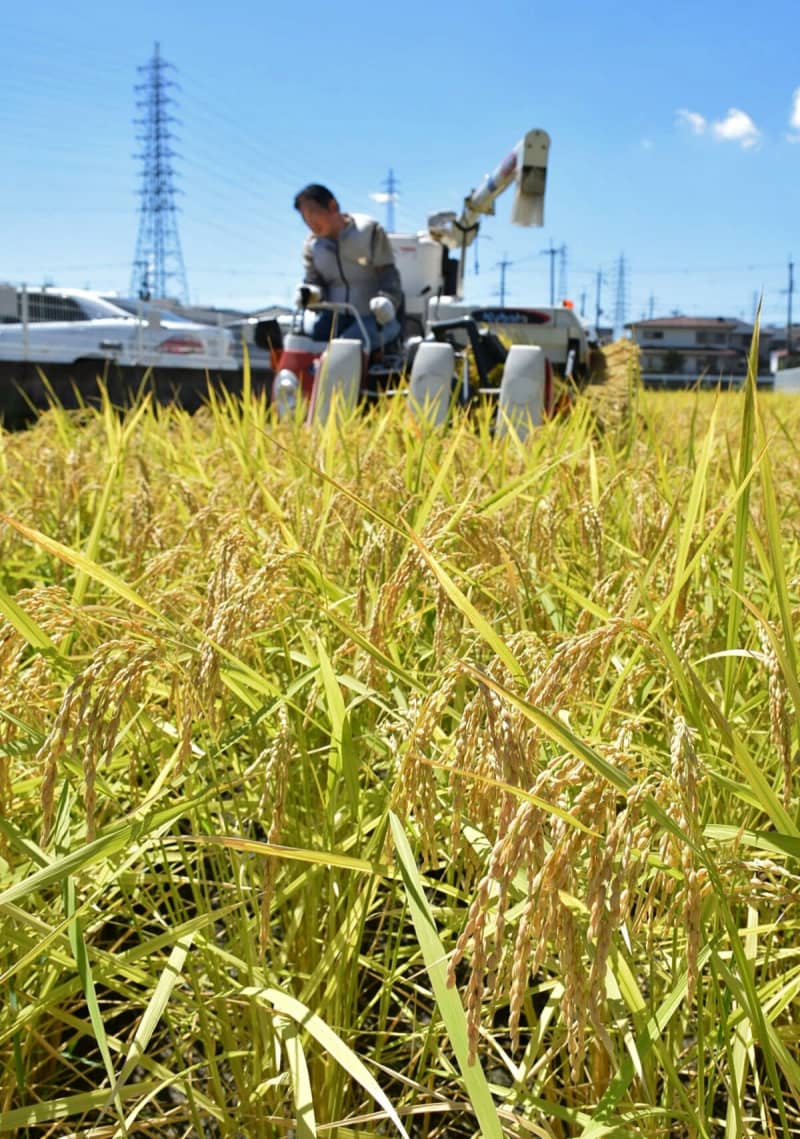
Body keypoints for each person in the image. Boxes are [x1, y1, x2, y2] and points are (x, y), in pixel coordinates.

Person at [293, 184, 404, 352]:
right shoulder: (312, 245)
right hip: (333, 318)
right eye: (305, 218)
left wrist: (387, 300)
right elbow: (314, 280)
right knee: (304, 343)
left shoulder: (369, 231)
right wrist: (310, 292)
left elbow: (388, 275)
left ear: (333, 206)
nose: (311, 223)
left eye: (313, 213)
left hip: (373, 318)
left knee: (345, 348)